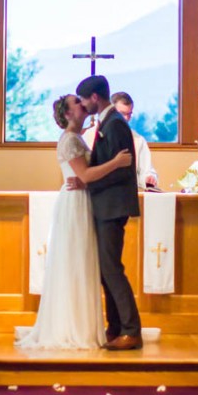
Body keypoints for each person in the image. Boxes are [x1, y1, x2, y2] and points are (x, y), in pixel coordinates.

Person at [16, 93, 132, 350]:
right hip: (75, 205)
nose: (82, 105)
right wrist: (116, 162)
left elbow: (83, 175)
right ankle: (72, 326)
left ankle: (87, 323)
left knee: (85, 264)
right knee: (77, 263)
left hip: (83, 200)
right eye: (76, 103)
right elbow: (86, 173)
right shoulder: (69, 140)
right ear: (68, 113)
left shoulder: (78, 136)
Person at [76, 75, 143, 350]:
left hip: (113, 206)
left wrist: (88, 180)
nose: (81, 105)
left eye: (83, 99)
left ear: (94, 98)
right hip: (106, 204)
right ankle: (115, 327)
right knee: (106, 270)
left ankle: (131, 329)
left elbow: (123, 169)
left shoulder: (114, 124)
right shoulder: (107, 121)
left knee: (112, 269)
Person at [85, 91, 158, 190]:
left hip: (125, 194)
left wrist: (148, 178)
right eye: (122, 114)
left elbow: (146, 171)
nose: (126, 118)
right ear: (111, 110)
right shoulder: (89, 136)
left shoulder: (138, 140)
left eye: (129, 114)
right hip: (96, 192)